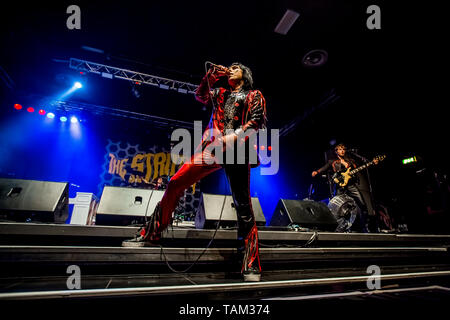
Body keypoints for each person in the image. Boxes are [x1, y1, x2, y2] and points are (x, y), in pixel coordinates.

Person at [123, 62, 267, 282]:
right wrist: (209, 76)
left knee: (243, 206)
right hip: (214, 148)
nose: (231, 68)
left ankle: (250, 261)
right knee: (175, 182)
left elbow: (256, 121)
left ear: (245, 75)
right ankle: (152, 233)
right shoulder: (220, 93)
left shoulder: (253, 94)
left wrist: (233, 136)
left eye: (236, 67)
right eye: (230, 66)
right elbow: (200, 96)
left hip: (238, 149)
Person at [312, 143, 378, 233]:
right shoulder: (333, 161)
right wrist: (317, 171)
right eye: (340, 149)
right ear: (336, 151)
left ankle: (364, 226)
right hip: (339, 185)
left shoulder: (350, 161)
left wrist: (371, 162)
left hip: (351, 185)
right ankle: (338, 227)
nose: (342, 151)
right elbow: (325, 168)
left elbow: (360, 165)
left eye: (343, 149)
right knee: (336, 206)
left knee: (362, 204)